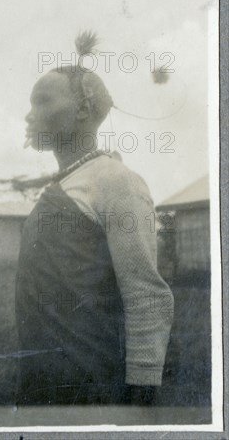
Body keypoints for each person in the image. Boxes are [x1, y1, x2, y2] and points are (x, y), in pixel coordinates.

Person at [15, 32, 174, 406]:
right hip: (41, 380)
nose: (28, 114)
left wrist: (141, 392)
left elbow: (146, 295)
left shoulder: (116, 182)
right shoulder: (63, 184)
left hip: (92, 384)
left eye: (41, 101)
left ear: (83, 110)